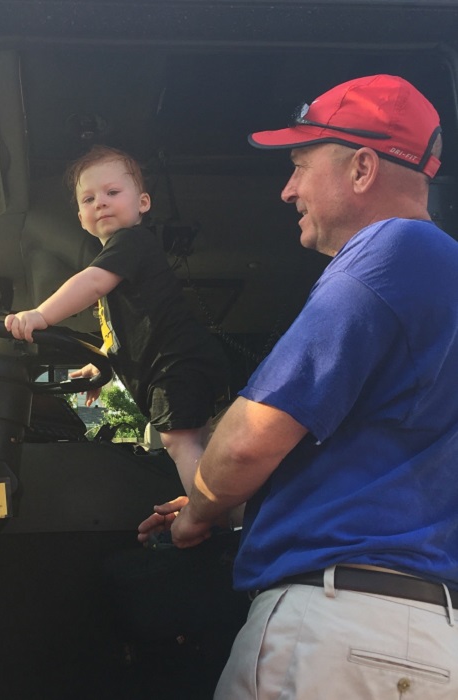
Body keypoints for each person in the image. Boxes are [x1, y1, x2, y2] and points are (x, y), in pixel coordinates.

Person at [138, 74, 458, 698]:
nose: (287, 191)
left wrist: (198, 512)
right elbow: (378, 461)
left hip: (337, 634)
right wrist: (233, 506)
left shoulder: (390, 251)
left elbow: (246, 444)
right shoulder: (438, 274)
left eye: (300, 166)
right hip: (414, 635)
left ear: (363, 168)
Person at [5, 145, 229, 492]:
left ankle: (204, 517)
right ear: (81, 218)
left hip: (176, 364)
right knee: (195, 443)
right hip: (179, 364)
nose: (101, 203)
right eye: (89, 199)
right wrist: (100, 365)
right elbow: (129, 330)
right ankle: (224, 514)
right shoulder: (123, 262)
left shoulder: (132, 242)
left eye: (112, 192)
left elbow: (91, 283)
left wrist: (39, 314)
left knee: (179, 443)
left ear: (143, 203)